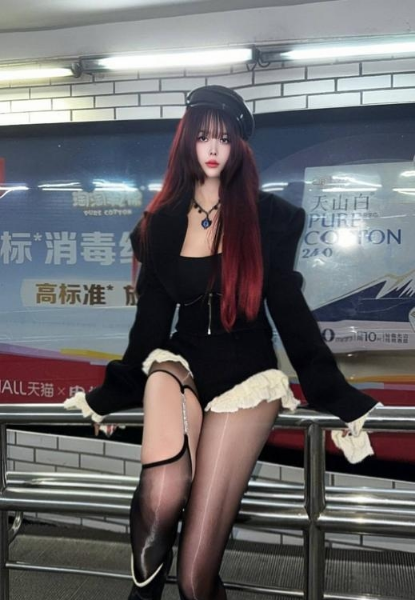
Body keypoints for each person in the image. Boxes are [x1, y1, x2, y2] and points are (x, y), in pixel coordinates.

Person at [64, 85, 379, 600]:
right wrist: (110, 394)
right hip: (182, 363)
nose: (213, 149)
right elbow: (150, 325)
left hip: (248, 377)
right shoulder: (159, 225)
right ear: (186, 142)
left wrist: (337, 395)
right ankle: (142, 594)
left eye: (225, 139)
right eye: (204, 137)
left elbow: (290, 312)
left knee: (195, 579)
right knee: (163, 492)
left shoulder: (270, 218)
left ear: (238, 148)